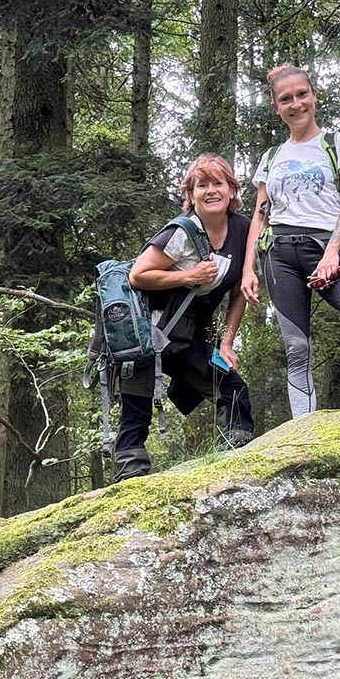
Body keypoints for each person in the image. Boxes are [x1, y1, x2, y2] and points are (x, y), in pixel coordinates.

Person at [241, 64, 340, 418]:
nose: (296, 104)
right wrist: (248, 269)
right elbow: (260, 215)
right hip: (279, 254)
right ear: (277, 107)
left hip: (325, 245)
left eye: (302, 95)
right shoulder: (271, 157)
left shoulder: (339, 143)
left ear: (314, 97)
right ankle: (303, 428)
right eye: (286, 99)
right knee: (296, 345)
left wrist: (332, 251)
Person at [113, 154, 255, 481]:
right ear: (190, 195)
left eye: (218, 183)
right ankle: (128, 483)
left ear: (232, 190)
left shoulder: (243, 229)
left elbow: (238, 293)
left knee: (233, 389)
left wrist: (227, 342)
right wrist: (188, 275)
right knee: (136, 410)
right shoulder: (181, 232)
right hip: (148, 331)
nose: (210, 191)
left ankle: (237, 465)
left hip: (192, 336)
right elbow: (138, 275)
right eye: (201, 185)